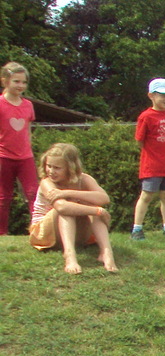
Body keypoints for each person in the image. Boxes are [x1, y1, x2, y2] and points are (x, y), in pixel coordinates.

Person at [29, 143, 116, 274]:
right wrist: (98, 211)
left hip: (74, 233)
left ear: (70, 168)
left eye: (57, 168)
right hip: (44, 234)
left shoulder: (84, 179)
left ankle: (106, 252)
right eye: (49, 166)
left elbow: (104, 198)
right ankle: (70, 256)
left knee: (90, 205)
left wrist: (68, 193)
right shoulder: (47, 182)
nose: (51, 171)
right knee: (69, 209)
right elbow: (61, 207)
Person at [131, 77, 165, 241]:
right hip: (152, 165)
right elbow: (139, 140)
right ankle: (137, 229)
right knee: (147, 195)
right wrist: (152, 154)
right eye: (163, 95)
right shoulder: (146, 116)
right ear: (151, 96)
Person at [0, 62, 37, 234]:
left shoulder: (28, 105)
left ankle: (38, 230)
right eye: (16, 81)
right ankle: (2, 233)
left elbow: (27, 131)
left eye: (24, 82)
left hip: (25, 157)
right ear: (5, 81)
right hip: (3, 156)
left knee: (33, 193)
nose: (20, 85)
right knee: (3, 197)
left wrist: (29, 149)